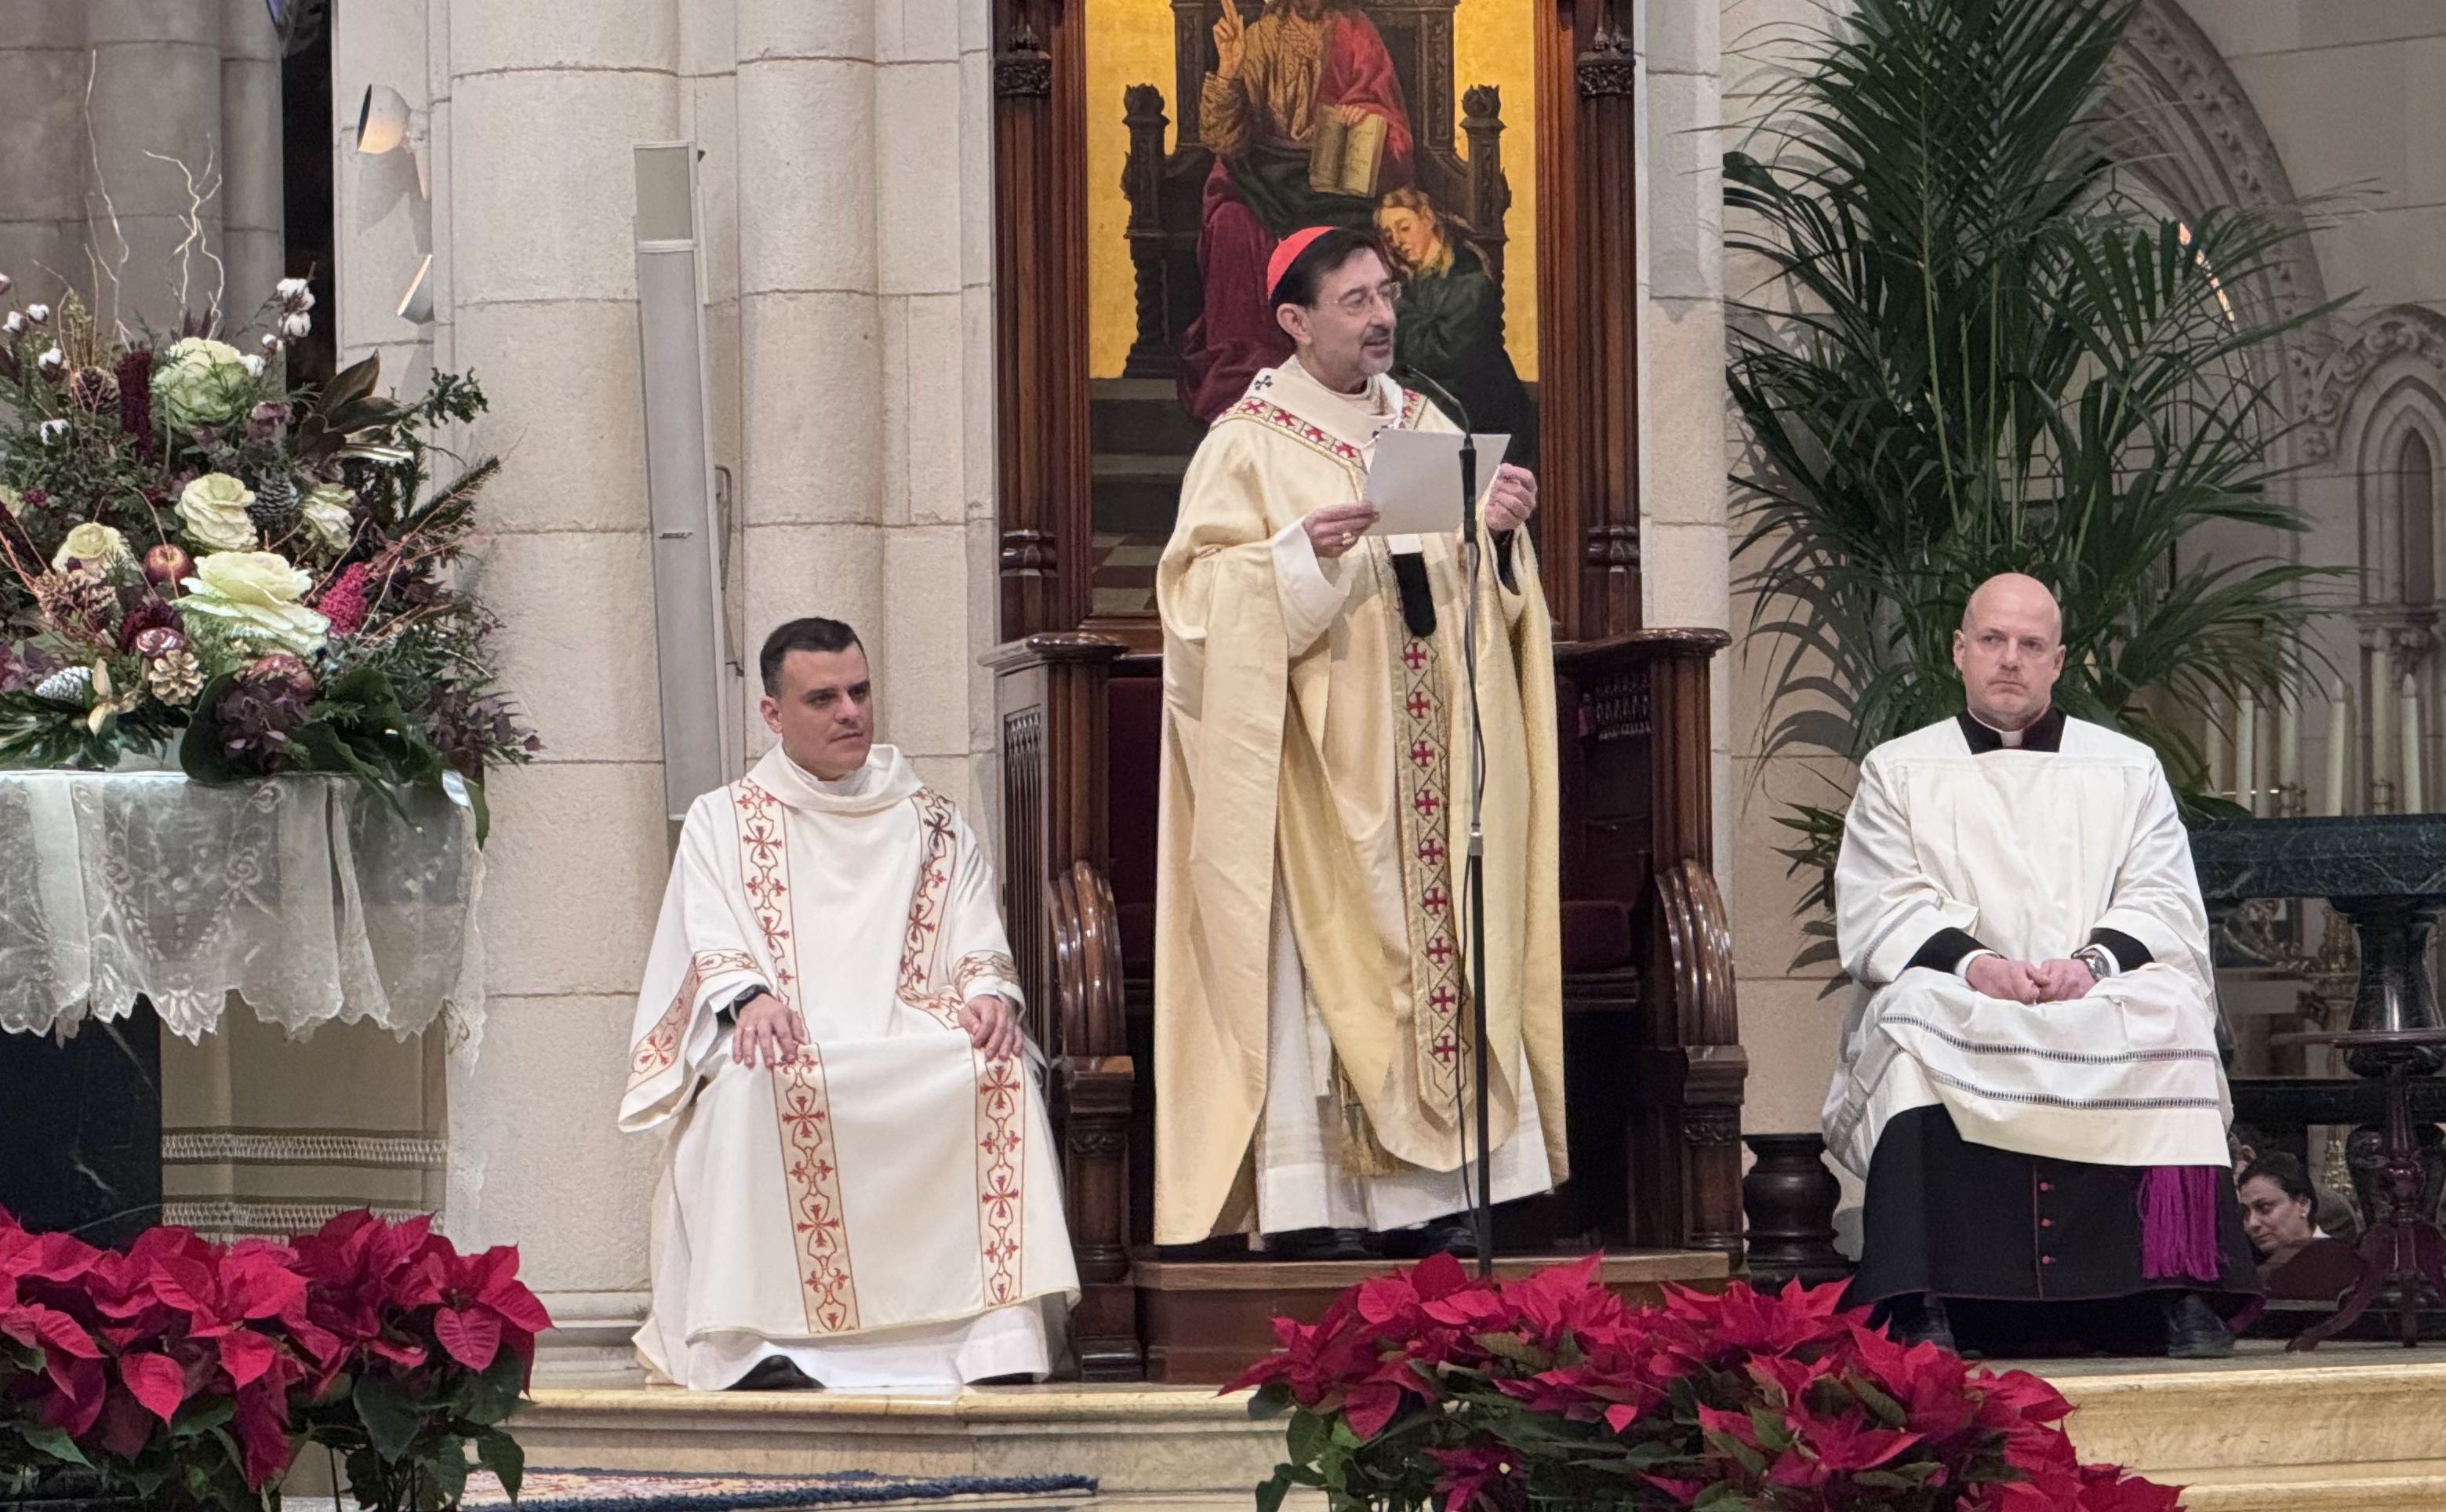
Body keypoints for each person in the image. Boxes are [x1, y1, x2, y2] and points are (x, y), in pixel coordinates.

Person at [1154, 224, 1565, 1259]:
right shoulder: (1245, 443)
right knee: (1328, 972)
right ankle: (1327, 1206)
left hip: (1433, 758)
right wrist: (1294, 559)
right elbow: (1194, 604)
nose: (1381, 315)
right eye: (1353, 300)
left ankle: (1442, 1193)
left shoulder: (1430, 422)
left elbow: (1473, 598)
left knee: (1445, 954)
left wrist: (1501, 531)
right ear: (1292, 321)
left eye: (1385, 293)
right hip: (1318, 775)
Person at [620, 618, 1078, 1389]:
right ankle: (756, 1342)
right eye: (824, 697)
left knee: (995, 1070)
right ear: (772, 713)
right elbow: (707, 933)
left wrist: (988, 991)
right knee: (750, 1078)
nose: (850, 713)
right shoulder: (724, 819)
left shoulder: (928, 819)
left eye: (859, 692)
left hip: (902, 1028)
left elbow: (973, 927)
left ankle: (993, 1339)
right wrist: (750, 997)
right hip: (787, 1034)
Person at [1825, 572, 2259, 1358]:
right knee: (1908, 1016)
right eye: (1991, 640)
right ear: (1958, 650)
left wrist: (2089, 964)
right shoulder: (1899, 768)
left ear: (2059, 660)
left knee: (2175, 1020)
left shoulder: (2124, 766)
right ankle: (1923, 1295)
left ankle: (2173, 1287)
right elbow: (1878, 903)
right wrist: (1979, 965)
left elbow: (2162, 898)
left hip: (2090, 988)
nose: (2009, 660)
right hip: (1963, 992)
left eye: (2030, 645)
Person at [1177, 0, 1414, 421]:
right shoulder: (1262, 36)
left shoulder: (1354, 32)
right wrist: (1230, 69)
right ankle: (1249, 370)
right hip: (1262, 171)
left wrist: (1365, 114)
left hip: (1331, 181)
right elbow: (1224, 139)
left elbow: (1389, 119)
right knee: (1232, 225)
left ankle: (1331, 368)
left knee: (1338, 240)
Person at [1375, 188, 1536, 467]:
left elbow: (1443, 354)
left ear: (1427, 219)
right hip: (1443, 422)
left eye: (1404, 228)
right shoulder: (1413, 282)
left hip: (1485, 423)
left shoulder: (1469, 278)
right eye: (1390, 236)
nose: (1398, 242)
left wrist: (1399, 313)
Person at [2237, 1152, 2327, 1277]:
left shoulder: (2340, 1263)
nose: (2251, 1223)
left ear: (2303, 1204)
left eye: (2265, 1208)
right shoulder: (2246, 1271)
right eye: (2245, 1213)